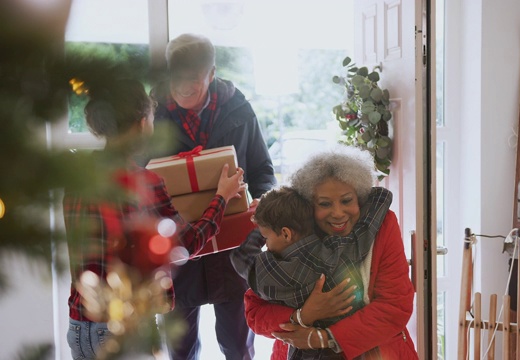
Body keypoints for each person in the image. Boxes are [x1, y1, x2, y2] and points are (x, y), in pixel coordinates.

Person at [63, 78, 246, 359]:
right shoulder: (143, 182)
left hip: (79, 324)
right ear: (141, 125)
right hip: (122, 327)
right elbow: (184, 244)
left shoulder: (77, 179)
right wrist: (221, 197)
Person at [145, 33, 277, 360]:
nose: (184, 86)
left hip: (232, 255)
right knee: (180, 349)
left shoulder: (239, 110)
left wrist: (264, 200)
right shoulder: (150, 115)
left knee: (237, 346)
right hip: (176, 252)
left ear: (212, 74)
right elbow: (137, 174)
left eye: (194, 79)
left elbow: (262, 168)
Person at [243, 146, 419, 359]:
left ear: (360, 198)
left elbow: (394, 306)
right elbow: (255, 313)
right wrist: (303, 315)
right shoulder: (292, 232)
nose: (337, 213)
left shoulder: (383, 225)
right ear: (309, 204)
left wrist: (323, 338)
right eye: (325, 204)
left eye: (346, 201)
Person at [230, 185, 391, 359]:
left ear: (285, 234)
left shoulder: (274, 272)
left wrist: (265, 220)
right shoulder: (341, 249)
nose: (266, 245)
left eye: (266, 237)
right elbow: (377, 206)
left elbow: (240, 256)